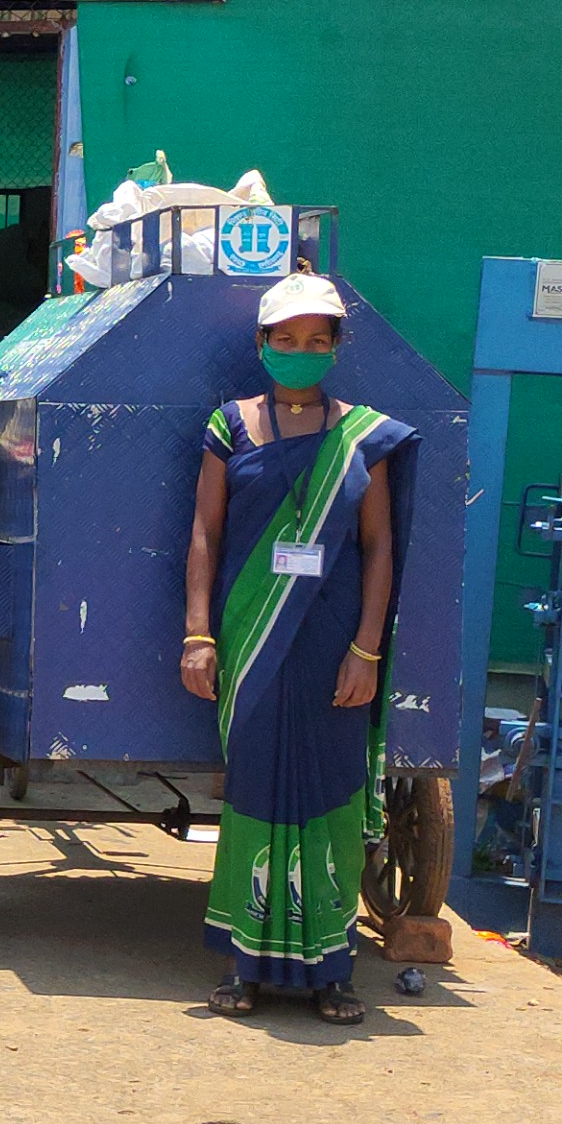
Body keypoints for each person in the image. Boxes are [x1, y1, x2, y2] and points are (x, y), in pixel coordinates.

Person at [181, 273, 413, 1026]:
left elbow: (379, 549)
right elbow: (205, 535)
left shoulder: (363, 437)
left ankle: (332, 971)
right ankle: (245, 966)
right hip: (249, 643)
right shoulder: (229, 427)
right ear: (262, 343)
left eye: (318, 341)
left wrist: (367, 650)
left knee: (329, 799)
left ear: (337, 348)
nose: (301, 353)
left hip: (331, 643)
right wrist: (197, 634)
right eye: (287, 340)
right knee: (253, 796)